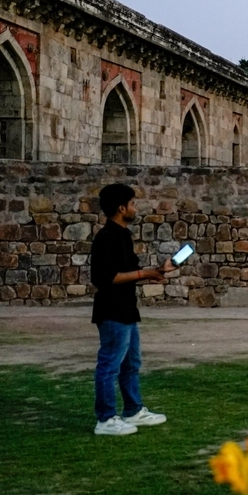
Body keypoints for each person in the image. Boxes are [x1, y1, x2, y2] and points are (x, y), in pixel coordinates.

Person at [89, 183, 173, 436]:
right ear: (121, 207)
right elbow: (103, 278)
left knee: (131, 363)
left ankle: (133, 409)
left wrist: (155, 272)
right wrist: (144, 273)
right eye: (133, 204)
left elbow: (129, 272)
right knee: (110, 365)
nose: (136, 208)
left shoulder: (124, 235)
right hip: (112, 310)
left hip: (127, 308)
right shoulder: (106, 238)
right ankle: (105, 419)